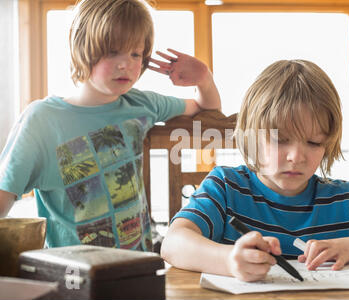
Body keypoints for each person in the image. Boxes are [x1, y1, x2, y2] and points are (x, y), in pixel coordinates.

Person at [161, 59, 349, 282]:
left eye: (313, 142)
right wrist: (229, 260)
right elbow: (173, 243)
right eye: (280, 139)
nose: (296, 156)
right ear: (250, 135)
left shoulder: (344, 202)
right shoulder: (225, 187)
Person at [0, 0, 221, 251]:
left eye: (135, 54)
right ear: (83, 48)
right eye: (112, 51)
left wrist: (204, 77)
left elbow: (208, 109)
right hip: (73, 275)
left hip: (137, 269)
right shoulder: (41, 119)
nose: (125, 64)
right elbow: (4, 194)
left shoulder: (141, 104)